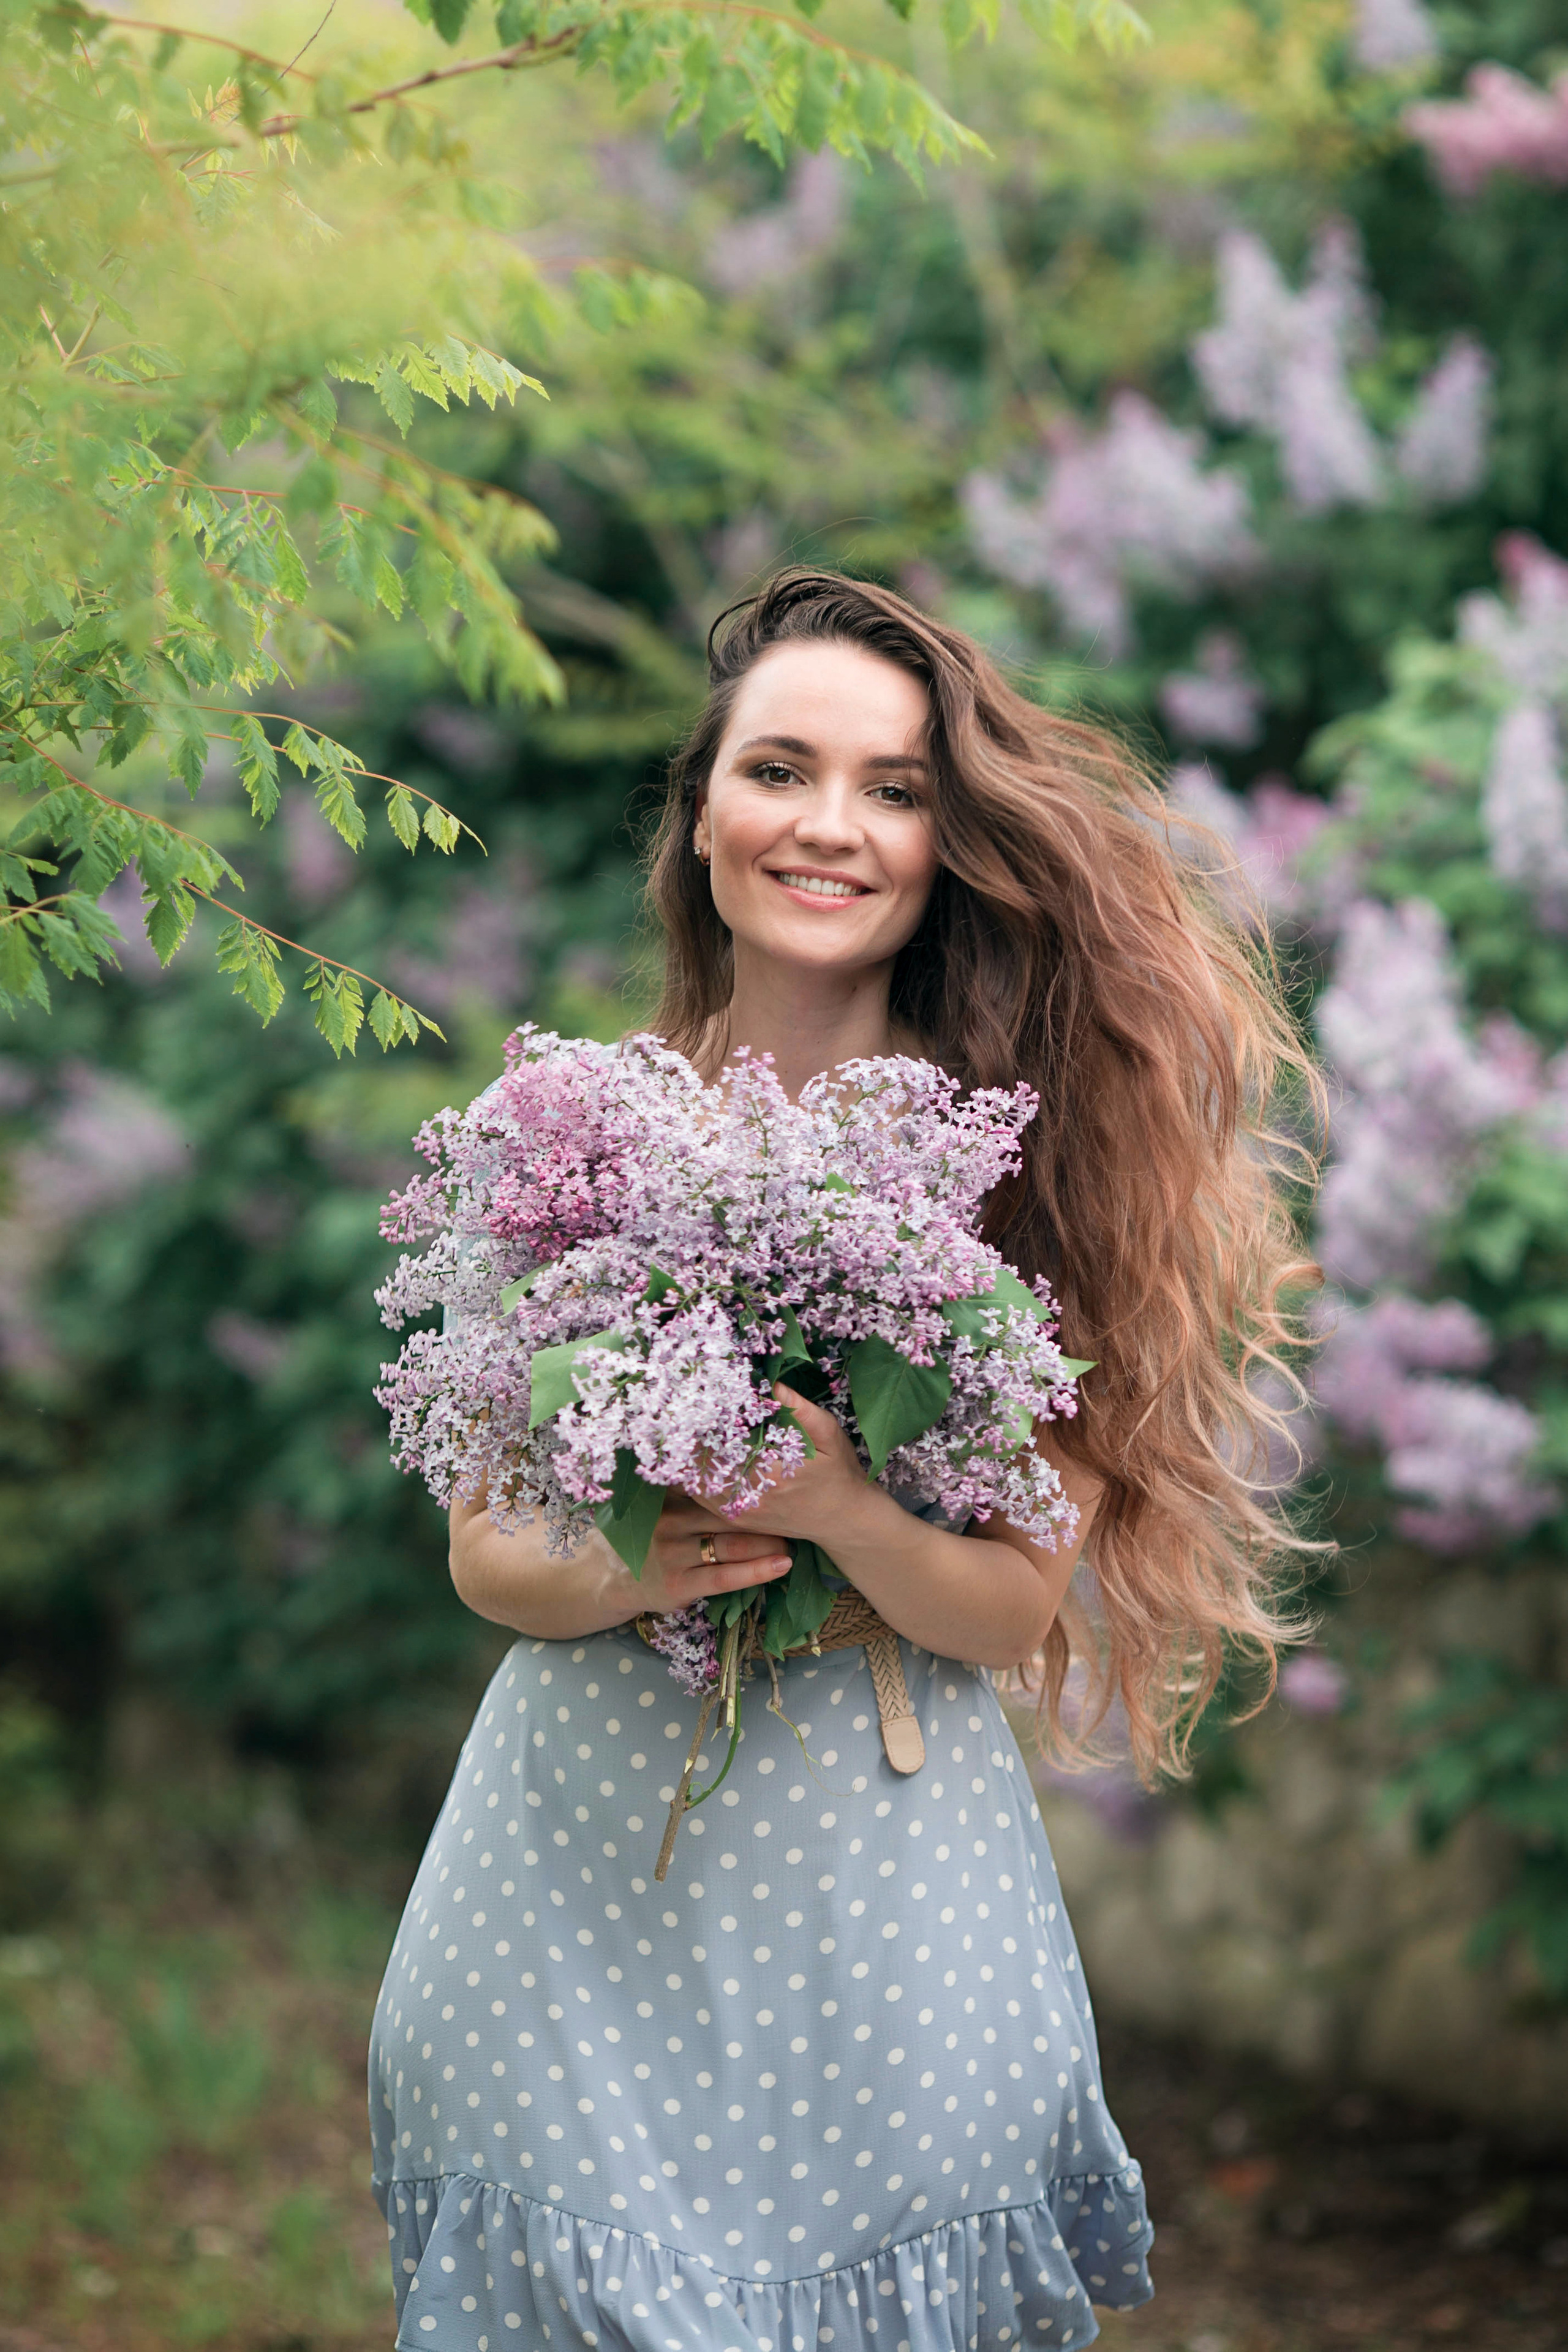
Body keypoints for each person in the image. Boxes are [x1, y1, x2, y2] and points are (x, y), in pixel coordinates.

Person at [369, 570, 1317, 2352]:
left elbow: (1003, 1611)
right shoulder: (560, 1132)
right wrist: (632, 1566)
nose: (832, 825)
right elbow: (485, 1554)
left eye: (894, 789)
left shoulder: (1035, 1187)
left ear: (950, 844)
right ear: (703, 819)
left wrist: (839, 1508)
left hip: (878, 1916)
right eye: (781, 770)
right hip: (564, 1893)